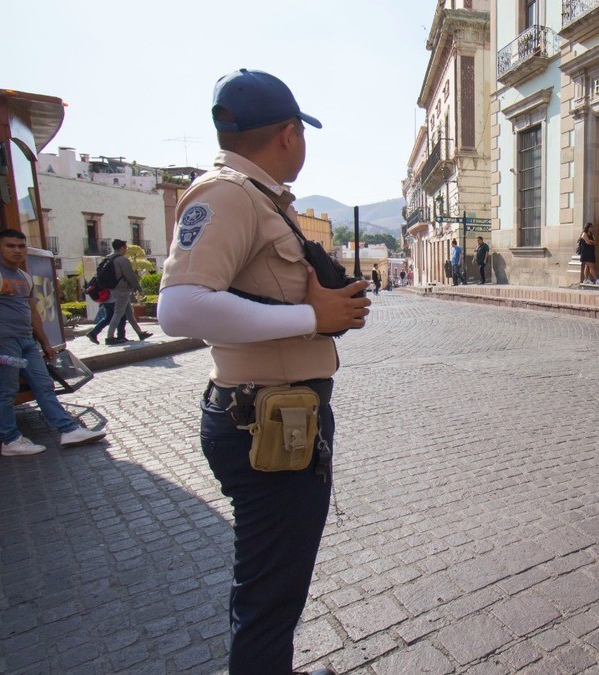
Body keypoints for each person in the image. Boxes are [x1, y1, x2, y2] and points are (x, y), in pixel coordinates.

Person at [156, 68, 370, 675]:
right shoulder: (227, 194)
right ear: (287, 133)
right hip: (265, 424)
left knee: (275, 583)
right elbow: (179, 308)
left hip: (281, 418)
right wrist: (312, 316)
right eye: (302, 133)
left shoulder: (260, 197)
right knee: (269, 594)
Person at [0, 229, 107, 456]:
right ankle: (10, 441)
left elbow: (32, 312)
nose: (16, 250)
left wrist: (45, 343)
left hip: (27, 341)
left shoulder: (24, 277)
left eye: (20, 246)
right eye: (10, 246)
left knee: (44, 386)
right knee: (7, 391)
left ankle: (69, 430)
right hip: (3, 342)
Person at [104, 240, 152, 345]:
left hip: (114, 289)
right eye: (125, 248)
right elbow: (130, 276)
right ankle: (109, 337)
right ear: (122, 248)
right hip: (123, 290)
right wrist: (139, 288)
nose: (126, 250)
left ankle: (140, 333)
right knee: (118, 313)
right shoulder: (122, 260)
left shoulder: (109, 258)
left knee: (130, 313)